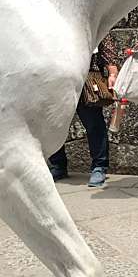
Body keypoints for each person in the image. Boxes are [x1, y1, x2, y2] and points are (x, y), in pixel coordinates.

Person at [48, 34, 118, 187]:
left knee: (93, 123)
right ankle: (57, 164)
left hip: (87, 76)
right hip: (59, 76)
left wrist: (112, 71)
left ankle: (99, 167)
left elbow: (103, 39)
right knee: (55, 124)